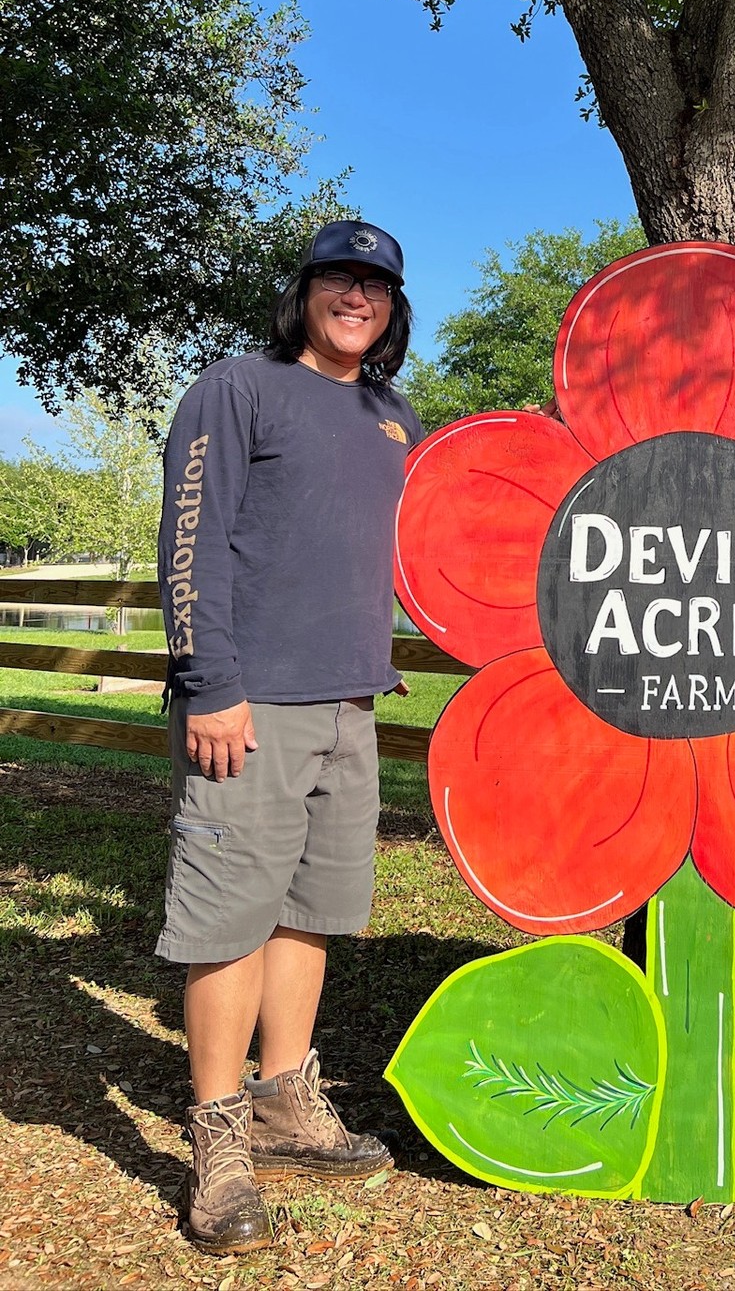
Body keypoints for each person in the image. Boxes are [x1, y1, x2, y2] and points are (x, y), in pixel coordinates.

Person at [155, 220, 423, 1254]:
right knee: (229, 917)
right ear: (304, 293)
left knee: (312, 911)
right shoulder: (238, 389)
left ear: (393, 308)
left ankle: (283, 1103)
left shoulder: (391, 415)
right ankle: (219, 1141)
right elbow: (190, 542)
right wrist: (210, 684)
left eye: (376, 285)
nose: (357, 297)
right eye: (338, 279)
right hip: (250, 706)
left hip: (350, 704)